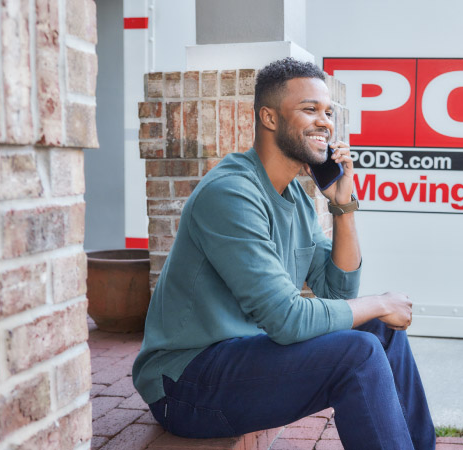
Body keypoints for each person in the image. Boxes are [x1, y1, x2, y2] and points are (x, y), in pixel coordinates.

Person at [132, 57, 435, 449]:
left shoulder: (295, 194)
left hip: (243, 357)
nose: (325, 121)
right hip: (185, 384)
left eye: (327, 112)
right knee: (357, 352)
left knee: (380, 332)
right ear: (269, 118)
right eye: (309, 110)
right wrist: (378, 301)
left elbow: (336, 292)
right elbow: (287, 319)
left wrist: (342, 206)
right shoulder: (231, 193)